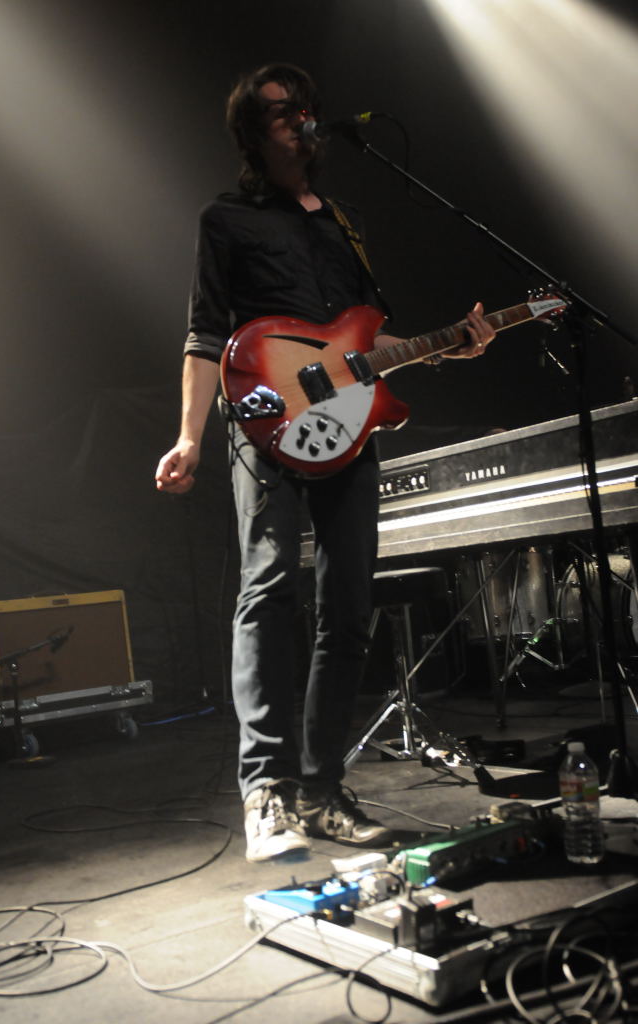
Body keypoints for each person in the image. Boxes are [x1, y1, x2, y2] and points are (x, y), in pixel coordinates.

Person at [155, 63, 495, 863]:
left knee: (347, 608)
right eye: (279, 111)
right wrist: (190, 437)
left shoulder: (345, 222)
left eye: (304, 108)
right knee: (269, 590)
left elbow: (366, 341)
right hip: (264, 421)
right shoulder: (225, 218)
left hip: (348, 430)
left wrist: (450, 344)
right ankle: (265, 790)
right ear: (251, 131)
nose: (298, 120)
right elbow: (205, 335)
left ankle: (321, 789)